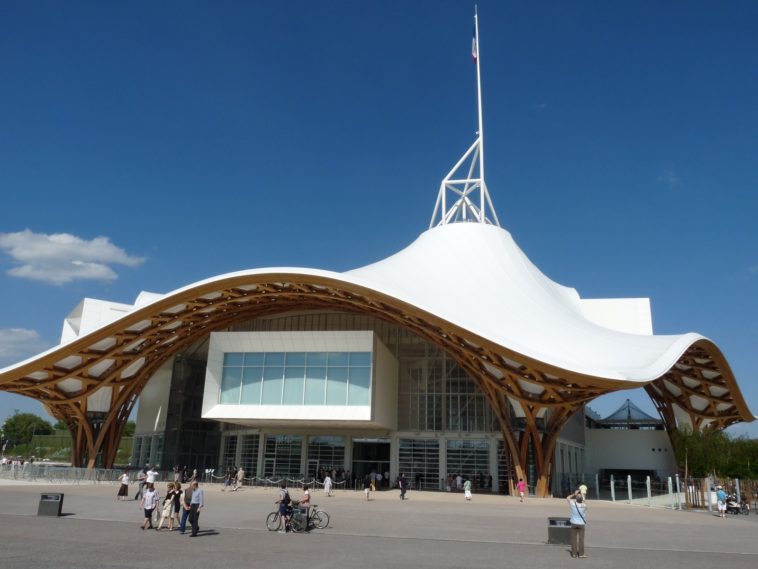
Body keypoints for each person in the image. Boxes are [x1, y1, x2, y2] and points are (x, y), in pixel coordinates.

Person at [567, 489, 587, 558]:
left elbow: (568, 498)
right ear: (581, 499)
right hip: (581, 524)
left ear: (576, 499)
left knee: (573, 539)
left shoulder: (573, 504)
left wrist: (574, 494)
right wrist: (581, 495)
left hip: (573, 523)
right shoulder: (584, 506)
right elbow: (584, 501)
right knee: (581, 539)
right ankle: (581, 554)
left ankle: (574, 554)